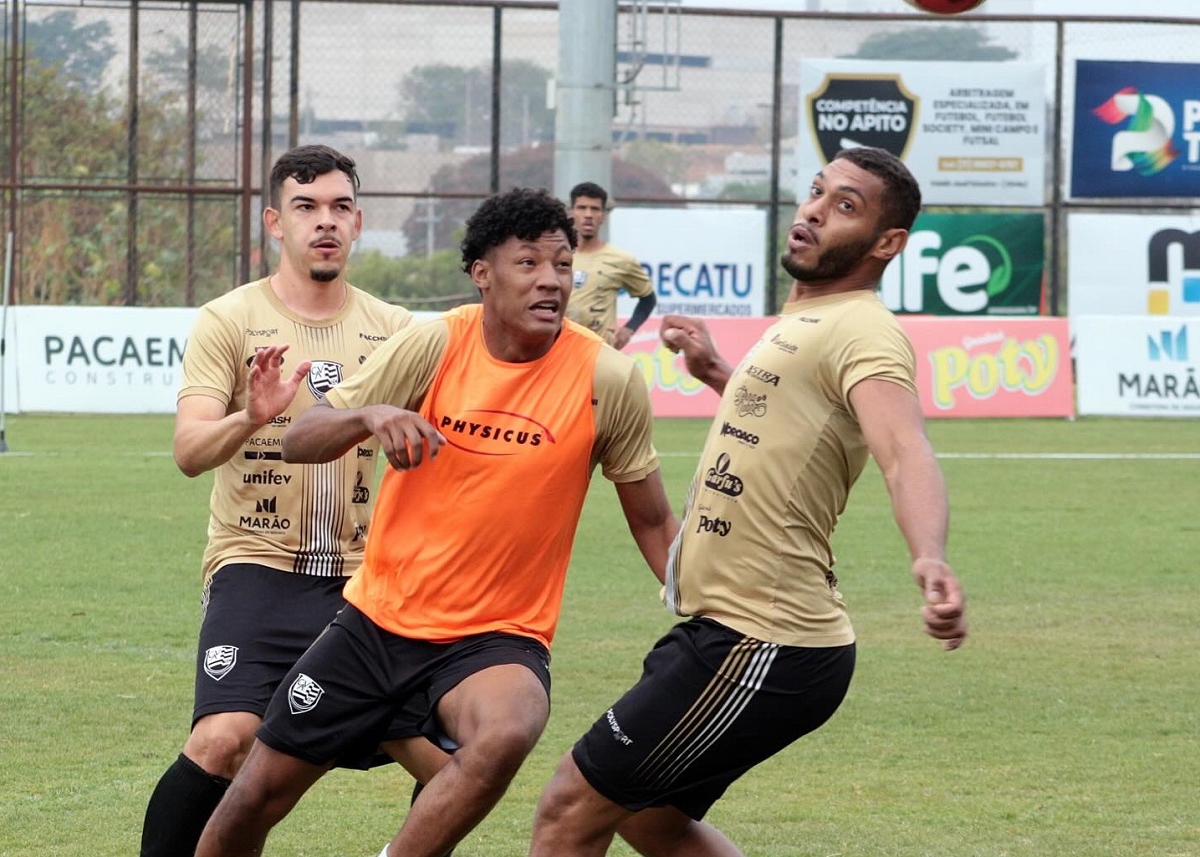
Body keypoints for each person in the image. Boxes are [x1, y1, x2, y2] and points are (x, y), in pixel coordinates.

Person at [193, 186, 679, 857]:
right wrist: (369, 416)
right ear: (483, 272)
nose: (550, 280)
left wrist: (705, 600)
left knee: (508, 729)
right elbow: (304, 435)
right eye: (528, 263)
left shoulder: (606, 376)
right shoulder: (435, 344)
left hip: (496, 636)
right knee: (252, 798)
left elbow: (652, 518)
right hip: (376, 623)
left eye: (563, 265)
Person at [527, 146, 969, 857]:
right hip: (736, 629)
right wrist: (717, 374)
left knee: (568, 808)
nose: (815, 210)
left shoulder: (864, 329)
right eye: (818, 191)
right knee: (649, 818)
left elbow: (902, 448)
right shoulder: (812, 317)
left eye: (845, 206)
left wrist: (929, 555)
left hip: (763, 638)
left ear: (888, 243)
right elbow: (797, 423)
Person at [140, 144, 450, 857]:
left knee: (453, 764)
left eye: (340, 207)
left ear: (359, 221)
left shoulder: (400, 330)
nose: (325, 222)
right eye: (307, 208)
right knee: (222, 739)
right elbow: (189, 453)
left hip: (366, 580)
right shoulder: (228, 319)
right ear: (275, 222)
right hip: (257, 566)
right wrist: (252, 414)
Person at [565, 181, 656, 349]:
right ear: (572, 212)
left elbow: (648, 299)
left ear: (603, 216)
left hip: (599, 350)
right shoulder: (559, 256)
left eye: (595, 209)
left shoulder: (620, 259)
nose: (588, 215)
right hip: (560, 348)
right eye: (582, 208)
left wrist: (630, 328)